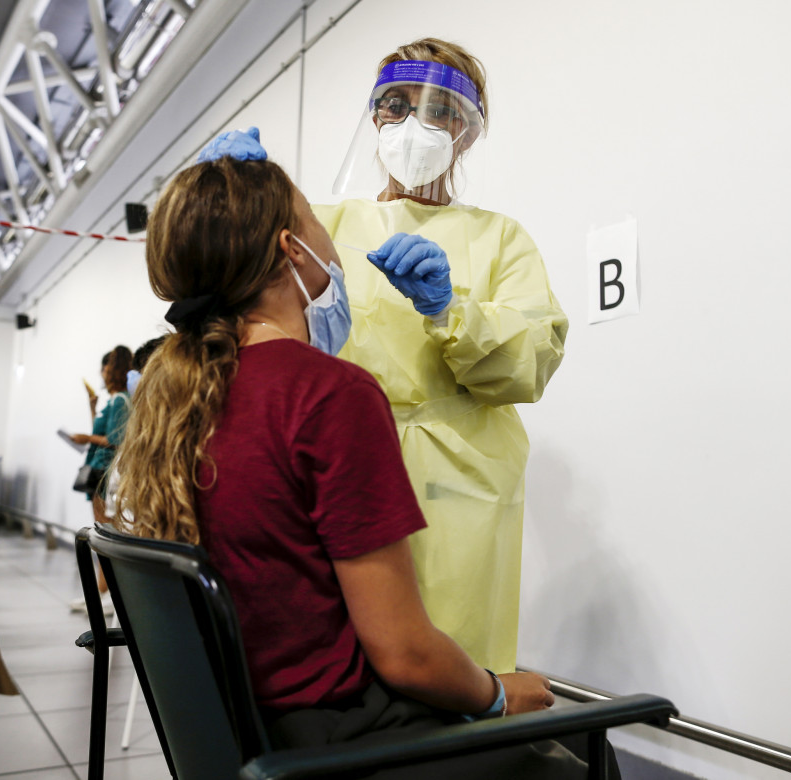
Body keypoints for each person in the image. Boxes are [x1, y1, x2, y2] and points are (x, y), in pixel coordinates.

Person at [110, 156, 585, 777]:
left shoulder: (176, 399)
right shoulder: (332, 395)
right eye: (316, 218)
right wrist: (498, 694)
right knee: (581, 755)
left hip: (248, 729)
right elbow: (407, 656)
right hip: (342, 737)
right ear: (294, 250)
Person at [199, 38, 568, 677]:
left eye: (440, 111)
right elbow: (232, 303)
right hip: (334, 465)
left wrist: (450, 309)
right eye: (395, 105)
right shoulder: (320, 223)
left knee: (454, 658)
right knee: (339, 657)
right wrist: (225, 197)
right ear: (375, 117)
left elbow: (529, 363)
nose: (413, 124)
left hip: (462, 483)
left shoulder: (500, 239)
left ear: (467, 132)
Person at [69, 346, 132, 613]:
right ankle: (101, 592)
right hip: (100, 471)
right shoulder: (114, 400)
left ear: (113, 369)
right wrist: (93, 409)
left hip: (105, 473)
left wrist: (85, 438)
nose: (102, 373)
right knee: (103, 533)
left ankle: (107, 595)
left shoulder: (120, 401)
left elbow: (115, 440)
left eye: (105, 368)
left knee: (105, 534)